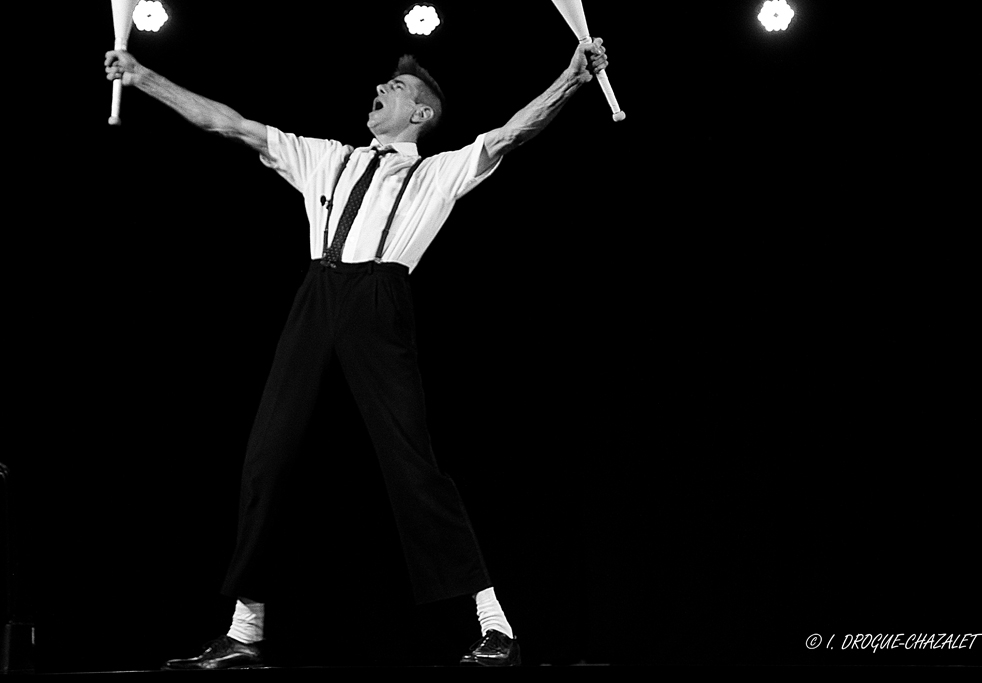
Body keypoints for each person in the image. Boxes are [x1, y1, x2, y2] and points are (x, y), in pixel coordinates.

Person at [104, 35, 610, 669]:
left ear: (421, 114)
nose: (380, 90)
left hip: (379, 300)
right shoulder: (325, 158)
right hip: (316, 297)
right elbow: (226, 123)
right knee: (267, 459)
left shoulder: (437, 172)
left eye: (395, 89)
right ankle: (244, 633)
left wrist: (571, 78)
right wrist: (143, 76)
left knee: (413, 467)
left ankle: (495, 626)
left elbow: (512, 133)